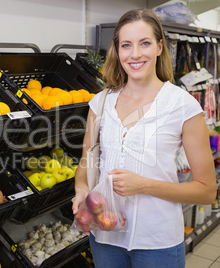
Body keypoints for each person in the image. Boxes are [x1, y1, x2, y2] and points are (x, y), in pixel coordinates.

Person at [72, 8, 217, 268]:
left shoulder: (182, 106)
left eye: (145, 43)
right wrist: (81, 191)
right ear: (117, 51)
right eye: (126, 45)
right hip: (105, 234)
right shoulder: (101, 102)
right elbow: (87, 162)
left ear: (160, 47)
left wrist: (144, 185)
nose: (135, 54)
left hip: (158, 241)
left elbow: (207, 191)